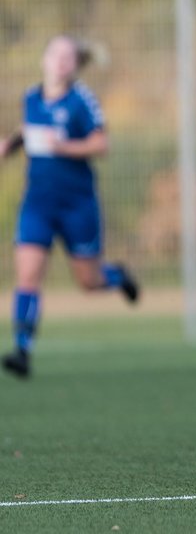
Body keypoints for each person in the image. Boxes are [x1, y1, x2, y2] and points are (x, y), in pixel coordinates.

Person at [2, 36, 139, 378]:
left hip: (77, 204)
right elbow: (27, 129)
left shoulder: (81, 101)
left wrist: (63, 147)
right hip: (38, 204)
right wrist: (10, 146)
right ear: (44, 59)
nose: (61, 61)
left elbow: (101, 143)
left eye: (68, 56)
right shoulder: (31, 98)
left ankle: (118, 276)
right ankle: (22, 350)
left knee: (89, 282)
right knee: (28, 276)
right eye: (56, 54)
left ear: (76, 65)